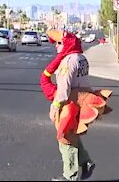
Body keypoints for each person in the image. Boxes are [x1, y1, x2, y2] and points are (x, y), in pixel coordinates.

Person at [40, 30, 98, 181]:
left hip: (69, 103)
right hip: (82, 100)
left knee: (65, 138)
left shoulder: (67, 61)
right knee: (72, 135)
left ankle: (69, 176)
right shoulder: (82, 58)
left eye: (59, 43)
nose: (56, 47)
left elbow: (63, 89)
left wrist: (55, 106)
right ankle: (86, 162)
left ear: (67, 44)